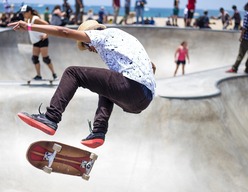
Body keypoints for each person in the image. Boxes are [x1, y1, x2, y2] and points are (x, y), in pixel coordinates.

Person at [9, 19, 156, 149]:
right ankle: (98, 131)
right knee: (104, 84)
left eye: (86, 45)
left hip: (130, 87)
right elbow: (152, 66)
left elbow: (64, 31)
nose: (90, 49)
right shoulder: (124, 39)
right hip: (143, 99)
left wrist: (29, 27)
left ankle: (51, 118)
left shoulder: (101, 35)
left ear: (89, 35)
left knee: (72, 73)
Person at [20, 5, 57, 80]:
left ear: (29, 12)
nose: (23, 14)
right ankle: (39, 75)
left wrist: (46, 34)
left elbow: (47, 24)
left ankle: (54, 74)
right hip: (36, 41)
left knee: (45, 59)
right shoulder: (28, 20)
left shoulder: (35, 19)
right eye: (22, 13)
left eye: (25, 13)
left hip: (42, 40)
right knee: (35, 58)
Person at [226, 1, 248, 74]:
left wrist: (241, 36)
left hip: (247, 38)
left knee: (241, 54)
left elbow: (245, 27)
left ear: (247, 7)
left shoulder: (247, 15)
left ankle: (234, 68)